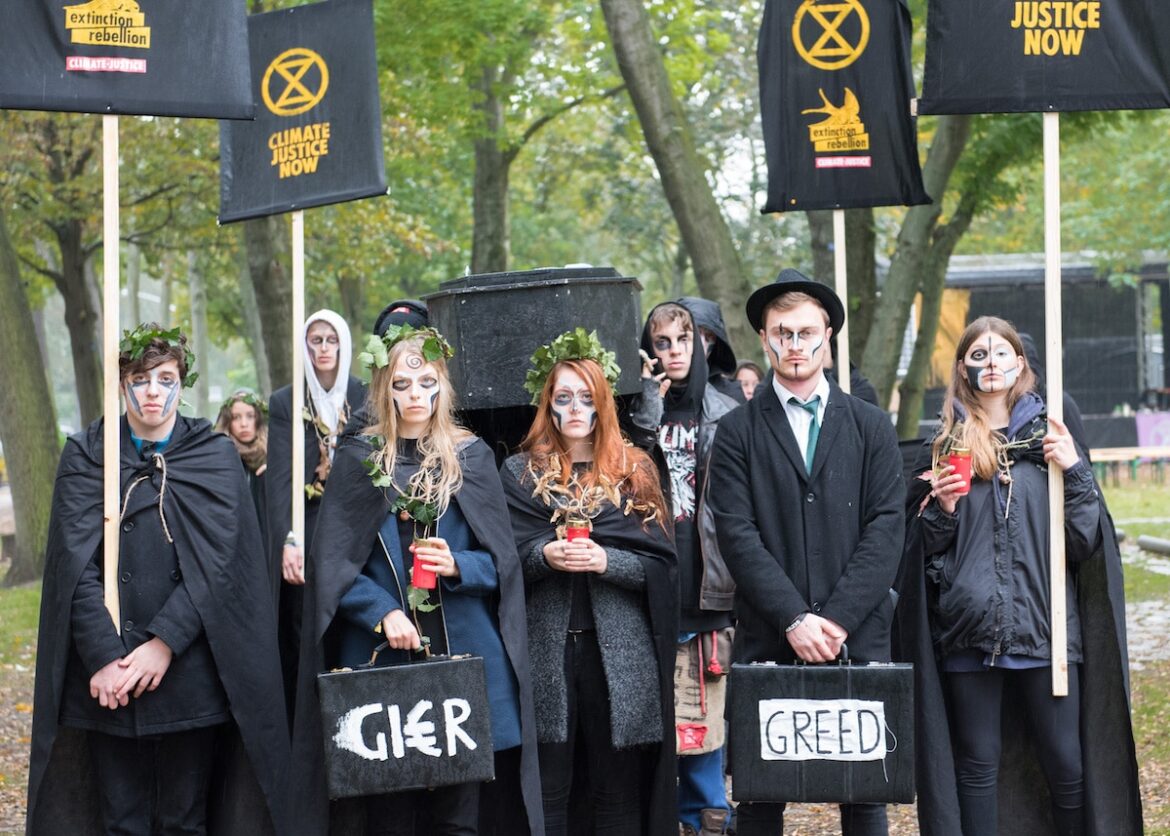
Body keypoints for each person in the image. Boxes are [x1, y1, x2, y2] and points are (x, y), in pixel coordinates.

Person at [27, 324, 289, 835]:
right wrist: (104, 655)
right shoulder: (87, 454)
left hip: (188, 672)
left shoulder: (212, 455)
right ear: (122, 383)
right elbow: (73, 568)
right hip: (105, 675)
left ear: (181, 383)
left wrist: (164, 643)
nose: (152, 391)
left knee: (183, 820)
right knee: (121, 820)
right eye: (141, 378)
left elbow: (222, 566)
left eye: (165, 378)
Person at [288, 320, 543, 836]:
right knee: (392, 814)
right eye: (402, 385)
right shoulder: (359, 459)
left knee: (459, 818)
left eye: (427, 382)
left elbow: (503, 564)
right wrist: (381, 611)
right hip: (383, 662)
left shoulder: (471, 456)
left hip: (464, 661)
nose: (416, 395)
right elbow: (333, 563)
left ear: (442, 384)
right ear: (385, 390)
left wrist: (457, 565)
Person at [899, 316, 1142, 836]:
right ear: (964, 367)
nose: (992, 364)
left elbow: (1083, 542)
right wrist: (940, 509)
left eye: (1001, 353)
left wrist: (1075, 471)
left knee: (1068, 766)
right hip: (969, 630)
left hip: (1045, 629)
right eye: (979, 356)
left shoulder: (1049, 439)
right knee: (977, 766)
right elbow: (929, 557)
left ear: (1020, 363)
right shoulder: (948, 445)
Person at [708, 270, 905, 836]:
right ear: (765, 341)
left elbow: (886, 526)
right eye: (782, 334)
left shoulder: (870, 427)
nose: (794, 345)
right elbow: (737, 534)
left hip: (858, 632)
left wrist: (838, 618)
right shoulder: (738, 432)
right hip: (771, 631)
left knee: (865, 790)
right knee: (761, 793)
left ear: (828, 338)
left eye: (805, 333)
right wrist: (794, 617)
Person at [499, 329, 678, 836]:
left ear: (602, 405)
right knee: (548, 789)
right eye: (563, 398)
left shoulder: (633, 471)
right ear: (548, 406)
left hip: (618, 656)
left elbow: (662, 565)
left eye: (586, 397)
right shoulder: (518, 473)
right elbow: (504, 557)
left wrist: (606, 561)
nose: (575, 408)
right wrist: (543, 555)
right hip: (545, 654)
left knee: (616, 791)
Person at [634, 302, 738, 836]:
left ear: (702, 345)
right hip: (651, 585)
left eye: (683, 341)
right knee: (652, 727)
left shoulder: (727, 409)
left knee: (702, 723)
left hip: (708, 589)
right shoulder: (636, 409)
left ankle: (708, 823)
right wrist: (648, 400)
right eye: (662, 343)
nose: (673, 352)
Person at [266, 309, 367, 716]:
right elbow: (280, 480)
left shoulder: (364, 396)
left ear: (343, 344)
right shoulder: (287, 401)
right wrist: (288, 538)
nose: (324, 348)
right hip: (306, 522)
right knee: (303, 621)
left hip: (354, 525)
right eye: (316, 340)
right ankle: (306, 713)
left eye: (331, 340)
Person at [214, 388, 269, 552]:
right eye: (236, 417)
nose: (244, 424)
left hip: (267, 545)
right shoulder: (218, 457)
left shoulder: (276, 455)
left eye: (250, 416)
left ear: (259, 419)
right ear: (227, 422)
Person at [678, 297, 746, 403]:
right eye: (694, 333)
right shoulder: (657, 390)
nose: (701, 343)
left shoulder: (731, 394)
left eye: (709, 336)